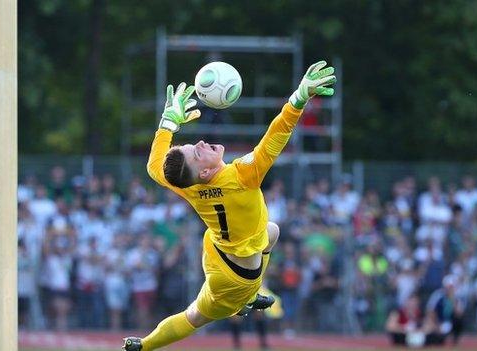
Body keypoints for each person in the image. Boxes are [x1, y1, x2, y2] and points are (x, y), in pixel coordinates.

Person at [122, 60, 336, 350]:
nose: (199, 143)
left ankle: (145, 345)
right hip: (236, 280)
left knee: (269, 231)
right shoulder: (242, 176)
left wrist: (168, 124)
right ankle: (147, 345)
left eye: (191, 144)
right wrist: (298, 99)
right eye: (196, 153)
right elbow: (276, 136)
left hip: (216, 249)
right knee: (195, 315)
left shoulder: (190, 184)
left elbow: (153, 167)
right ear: (206, 172)